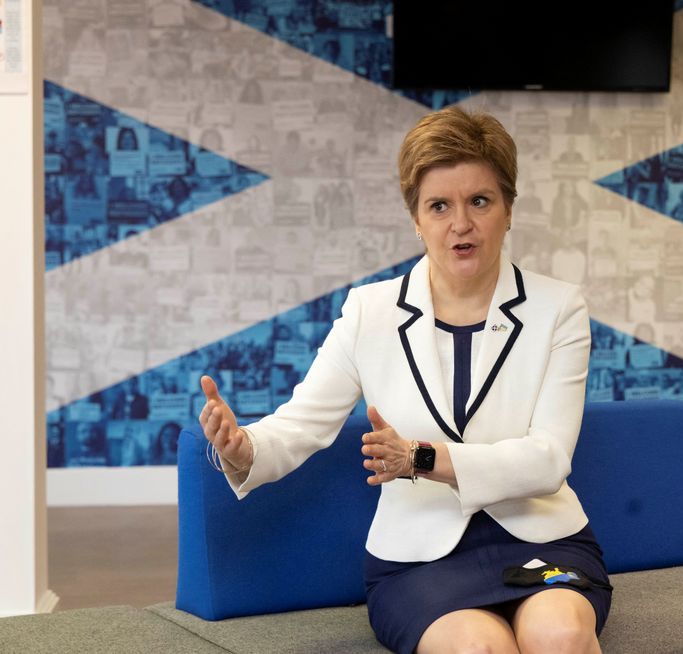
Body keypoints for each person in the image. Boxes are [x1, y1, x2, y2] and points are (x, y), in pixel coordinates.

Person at [198, 107, 611, 654]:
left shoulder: (559, 307)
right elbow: (301, 425)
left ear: (508, 210)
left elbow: (549, 458)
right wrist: (241, 448)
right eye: (439, 205)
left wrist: (419, 458)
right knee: (480, 650)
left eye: (479, 201)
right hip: (419, 558)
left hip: (544, 540)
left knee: (558, 636)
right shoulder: (370, 313)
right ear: (416, 218)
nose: (460, 223)